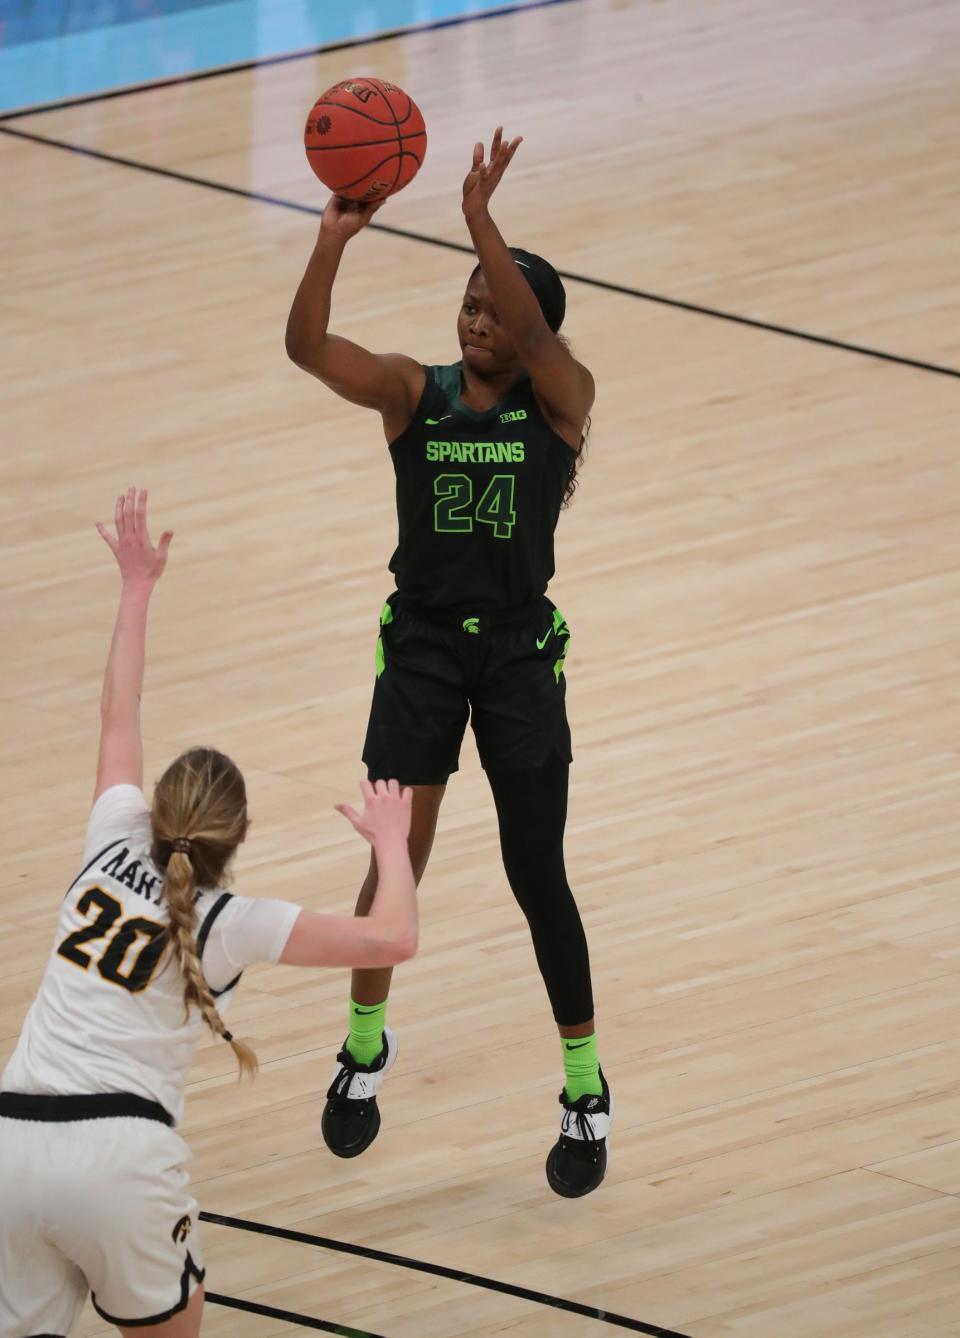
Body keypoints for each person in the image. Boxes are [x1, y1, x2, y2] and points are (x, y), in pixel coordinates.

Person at [0, 489, 418, 1337]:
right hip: (118, 1158)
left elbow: (120, 711)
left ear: (154, 811)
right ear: (238, 839)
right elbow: (394, 937)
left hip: (10, 1139)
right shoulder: (230, 920)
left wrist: (136, 587)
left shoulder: (107, 834)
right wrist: (392, 840)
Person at [286, 129, 611, 1198]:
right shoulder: (410, 395)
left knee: (536, 876)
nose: (477, 318)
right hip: (422, 651)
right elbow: (306, 347)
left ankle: (583, 1088)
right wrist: (334, 240)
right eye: (466, 302)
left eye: (496, 307)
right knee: (395, 863)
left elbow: (528, 318)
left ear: (533, 332)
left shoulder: (562, 400)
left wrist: (480, 217)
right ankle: (363, 1053)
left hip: (519, 659)